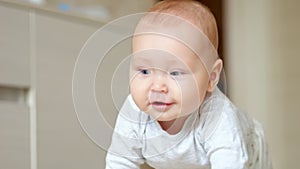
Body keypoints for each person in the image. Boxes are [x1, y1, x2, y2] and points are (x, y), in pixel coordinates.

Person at [106, 0, 272, 168]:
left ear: (211, 77)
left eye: (175, 73)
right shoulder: (134, 112)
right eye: (145, 71)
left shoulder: (217, 115)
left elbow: (230, 162)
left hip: (244, 155)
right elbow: (120, 160)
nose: (157, 87)